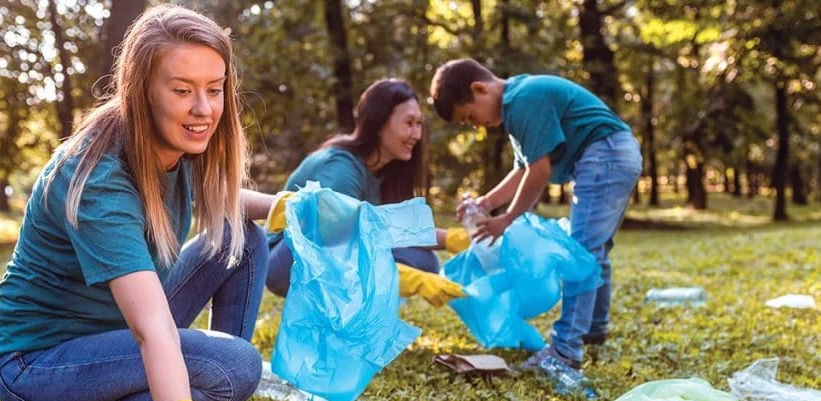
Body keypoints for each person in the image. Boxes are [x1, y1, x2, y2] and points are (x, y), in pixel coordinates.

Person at [0, 6, 306, 401]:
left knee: (242, 236)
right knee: (232, 367)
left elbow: (227, 202)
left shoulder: (178, 145)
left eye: (214, 88)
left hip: (106, 334)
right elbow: (150, 328)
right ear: (142, 90)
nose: (203, 109)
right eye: (182, 89)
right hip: (39, 367)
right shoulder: (99, 178)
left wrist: (291, 209)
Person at [429, 58, 642, 384]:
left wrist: (508, 219)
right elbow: (522, 170)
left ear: (479, 88)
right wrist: (486, 203)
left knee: (581, 252)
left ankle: (565, 352)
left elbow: (539, 172)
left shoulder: (524, 100)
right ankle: (594, 328)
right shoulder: (518, 102)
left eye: (471, 117)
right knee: (593, 250)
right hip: (614, 152)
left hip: (605, 153)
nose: (476, 126)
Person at [264, 79, 467, 307]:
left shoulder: (382, 170)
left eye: (419, 124)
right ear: (379, 124)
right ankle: (338, 323)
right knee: (408, 267)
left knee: (422, 260)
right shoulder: (341, 169)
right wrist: (409, 279)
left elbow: (387, 227)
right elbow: (333, 246)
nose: (416, 134)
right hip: (286, 260)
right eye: (409, 123)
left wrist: (452, 239)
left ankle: (364, 324)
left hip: (331, 249)